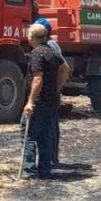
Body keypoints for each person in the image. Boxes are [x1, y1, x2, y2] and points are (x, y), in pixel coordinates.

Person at [22, 23, 70, 179]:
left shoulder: (36, 53)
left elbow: (37, 79)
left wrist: (30, 102)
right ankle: (44, 170)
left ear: (31, 37)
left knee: (28, 135)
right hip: (52, 101)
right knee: (45, 135)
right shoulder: (52, 52)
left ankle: (29, 171)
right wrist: (57, 88)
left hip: (39, 102)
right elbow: (65, 69)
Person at [35, 17, 65, 166]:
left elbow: (64, 68)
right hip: (49, 95)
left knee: (50, 127)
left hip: (49, 95)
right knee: (50, 126)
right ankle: (52, 158)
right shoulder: (49, 45)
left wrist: (56, 88)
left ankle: (52, 159)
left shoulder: (50, 46)